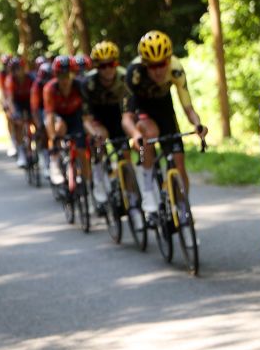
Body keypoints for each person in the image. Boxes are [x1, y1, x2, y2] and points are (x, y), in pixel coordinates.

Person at [121, 30, 207, 216]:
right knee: (148, 134)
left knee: (179, 162)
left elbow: (188, 108)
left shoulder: (176, 68)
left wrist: (197, 125)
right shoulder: (133, 74)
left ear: (169, 59)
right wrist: (135, 135)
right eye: (153, 66)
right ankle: (148, 191)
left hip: (165, 109)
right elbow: (126, 118)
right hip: (142, 109)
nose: (159, 70)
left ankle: (183, 207)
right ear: (144, 64)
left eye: (162, 64)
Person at [81, 41, 132, 214]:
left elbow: (134, 107)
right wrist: (93, 132)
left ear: (117, 63)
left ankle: (131, 193)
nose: (108, 69)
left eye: (112, 64)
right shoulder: (88, 83)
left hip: (119, 116)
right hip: (98, 118)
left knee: (126, 155)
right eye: (102, 66)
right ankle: (99, 183)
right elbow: (86, 118)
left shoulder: (125, 77)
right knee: (98, 141)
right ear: (96, 67)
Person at [43, 55, 88, 197]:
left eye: (68, 74)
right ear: (56, 75)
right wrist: (53, 138)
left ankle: (88, 183)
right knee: (58, 128)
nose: (65, 79)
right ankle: (55, 161)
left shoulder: (79, 86)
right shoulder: (50, 88)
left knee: (82, 150)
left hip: (75, 116)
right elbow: (49, 116)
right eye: (61, 75)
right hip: (59, 116)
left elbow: (86, 112)